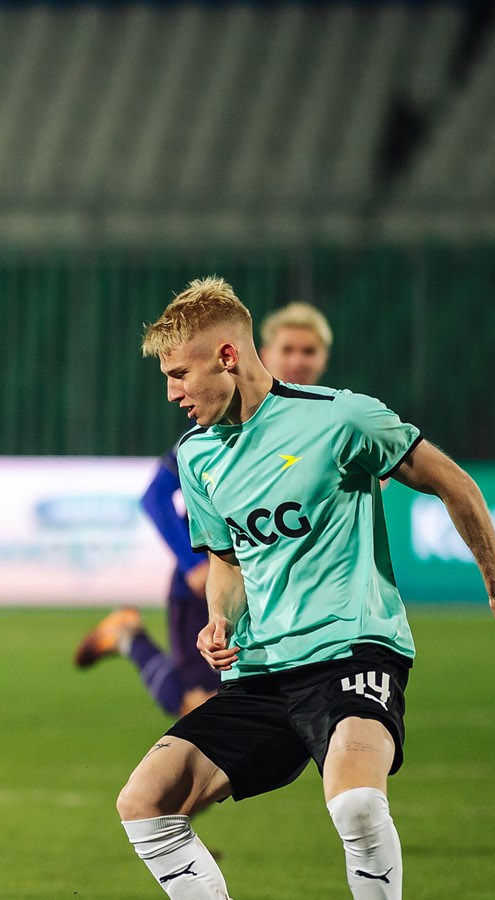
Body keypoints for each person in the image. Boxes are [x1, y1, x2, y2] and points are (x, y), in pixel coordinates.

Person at [112, 276, 495, 900]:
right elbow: (225, 559)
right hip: (267, 669)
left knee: (353, 796)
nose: (172, 392)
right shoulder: (199, 456)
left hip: (356, 651)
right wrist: (220, 619)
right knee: (144, 803)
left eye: (179, 374)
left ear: (225, 355)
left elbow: (451, 480)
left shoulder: (341, 418)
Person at [77, 302, 335, 717]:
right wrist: (191, 564)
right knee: (201, 710)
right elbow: (156, 497)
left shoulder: (332, 423)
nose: (298, 361)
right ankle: (130, 638)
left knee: (249, 712)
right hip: (216, 583)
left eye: (310, 351)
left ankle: (129, 636)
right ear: (260, 353)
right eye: (288, 349)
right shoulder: (216, 422)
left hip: (275, 592)